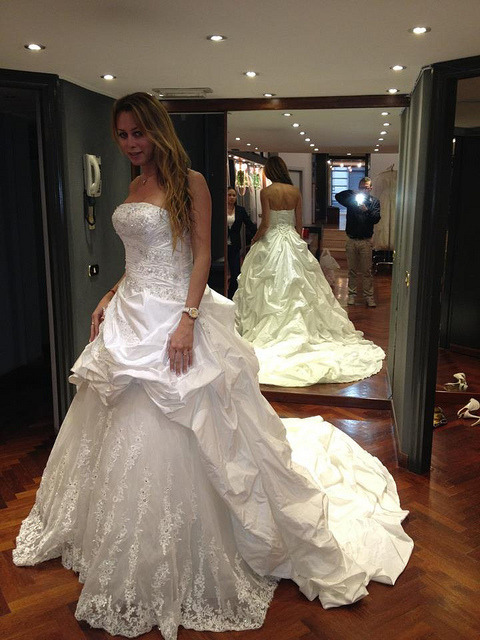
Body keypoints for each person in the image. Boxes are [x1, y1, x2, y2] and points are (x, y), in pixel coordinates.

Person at [13, 94, 412, 640]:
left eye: (138, 133)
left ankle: (189, 549)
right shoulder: (132, 185)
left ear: (157, 130)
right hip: (131, 314)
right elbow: (138, 260)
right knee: (114, 425)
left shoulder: (191, 182)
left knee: (182, 422)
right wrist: (109, 293)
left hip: (176, 315)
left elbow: (200, 254)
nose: (130, 144)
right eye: (122, 135)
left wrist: (188, 319)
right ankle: (117, 541)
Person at [233, 156, 385, 387]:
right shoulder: (294, 191)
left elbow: (265, 224)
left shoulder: (267, 192)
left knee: (268, 285)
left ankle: (271, 326)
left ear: (270, 171)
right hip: (291, 239)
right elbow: (299, 223)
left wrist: (254, 240)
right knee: (301, 285)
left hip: (272, 240)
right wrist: (296, 242)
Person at [335, 177, 381, 307]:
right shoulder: (352, 200)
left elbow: (376, 218)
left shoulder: (374, 202)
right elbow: (338, 196)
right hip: (351, 239)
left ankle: (369, 297)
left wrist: (366, 210)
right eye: (361, 188)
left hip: (365, 241)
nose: (363, 190)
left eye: (366, 188)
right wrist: (353, 192)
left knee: (367, 271)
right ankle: (351, 295)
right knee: (352, 270)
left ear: (370, 188)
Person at [226, 186, 257, 298]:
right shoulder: (220, 209)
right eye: (229, 195)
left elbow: (249, 225)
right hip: (221, 246)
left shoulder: (240, 210)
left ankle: (232, 296)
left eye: (234, 195)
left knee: (235, 272)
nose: (231, 197)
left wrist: (257, 236)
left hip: (235, 244)